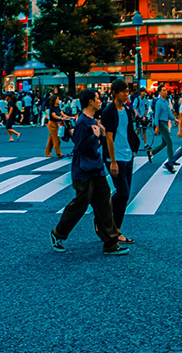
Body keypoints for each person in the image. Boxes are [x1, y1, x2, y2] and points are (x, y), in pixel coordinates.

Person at [49, 89, 128, 256]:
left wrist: (99, 135)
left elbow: (94, 146)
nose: (101, 101)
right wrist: (96, 136)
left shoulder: (91, 120)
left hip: (96, 169)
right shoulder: (82, 122)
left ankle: (110, 243)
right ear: (91, 101)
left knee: (104, 204)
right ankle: (58, 233)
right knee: (80, 204)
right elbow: (80, 146)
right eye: (98, 99)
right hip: (84, 170)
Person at [101, 80, 138, 245]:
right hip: (115, 158)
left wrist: (134, 148)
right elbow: (108, 137)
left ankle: (111, 227)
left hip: (128, 155)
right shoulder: (109, 111)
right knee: (123, 193)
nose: (126, 94)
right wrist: (113, 161)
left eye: (127, 91)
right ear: (115, 92)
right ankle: (110, 226)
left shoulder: (127, 110)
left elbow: (129, 131)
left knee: (125, 193)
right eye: (123, 91)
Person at [147, 88, 175, 163]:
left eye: (165, 90)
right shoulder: (159, 102)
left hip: (165, 122)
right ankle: (171, 160)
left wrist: (174, 119)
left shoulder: (165, 101)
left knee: (165, 142)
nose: (165, 92)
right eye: (163, 90)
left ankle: (151, 152)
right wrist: (156, 126)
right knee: (169, 142)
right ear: (159, 92)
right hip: (161, 123)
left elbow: (169, 112)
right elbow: (156, 114)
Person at [44, 94, 65, 158]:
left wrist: (69, 117)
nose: (59, 100)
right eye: (58, 99)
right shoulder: (52, 107)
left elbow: (62, 113)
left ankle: (47, 153)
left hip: (56, 124)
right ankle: (58, 153)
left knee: (51, 139)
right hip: (52, 124)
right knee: (56, 139)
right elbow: (54, 115)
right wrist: (60, 118)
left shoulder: (57, 107)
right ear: (54, 100)